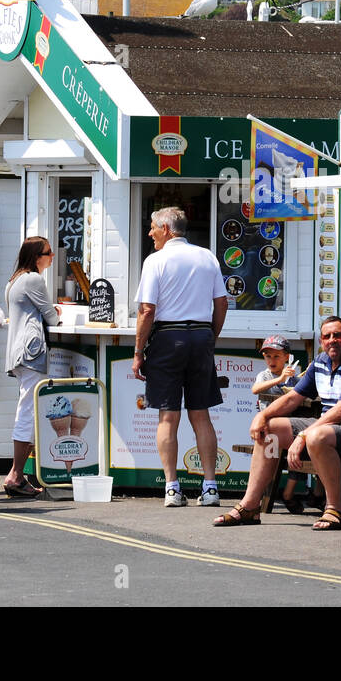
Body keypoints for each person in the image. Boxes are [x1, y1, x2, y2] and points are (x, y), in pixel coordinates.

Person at [215, 316, 341, 530]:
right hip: (329, 428)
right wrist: (262, 416)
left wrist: (303, 435)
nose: (332, 340)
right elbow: (293, 398)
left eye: (338, 335)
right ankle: (250, 506)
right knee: (269, 430)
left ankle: (337, 509)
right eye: (327, 336)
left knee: (316, 436)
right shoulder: (320, 362)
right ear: (321, 342)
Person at [131, 207, 227, 508]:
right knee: (201, 414)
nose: (150, 233)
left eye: (152, 228)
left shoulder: (156, 260)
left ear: (166, 229)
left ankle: (172, 488)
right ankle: (210, 487)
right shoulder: (207, 256)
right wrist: (210, 335)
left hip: (168, 337)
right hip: (200, 335)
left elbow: (147, 310)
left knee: (168, 416)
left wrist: (137, 352)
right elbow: (222, 303)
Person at [1, 236, 60, 498]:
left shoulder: (14, 280)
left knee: (28, 409)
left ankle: (18, 474)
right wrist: (56, 311)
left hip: (19, 351)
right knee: (27, 411)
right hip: (31, 351)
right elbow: (51, 316)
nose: (52, 257)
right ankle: (15, 474)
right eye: (49, 253)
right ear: (38, 256)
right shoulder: (34, 279)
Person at [250, 335, 307, 513]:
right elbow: (255, 389)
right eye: (268, 356)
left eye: (276, 356)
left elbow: (303, 391)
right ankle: (259, 496)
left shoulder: (292, 376)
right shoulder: (265, 375)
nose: (271, 360)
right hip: (267, 431)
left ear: (287, 357)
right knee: (270, 462)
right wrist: (279, 379)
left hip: (289, 430)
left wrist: (303, 377)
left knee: (299, 456)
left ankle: (288, 494)